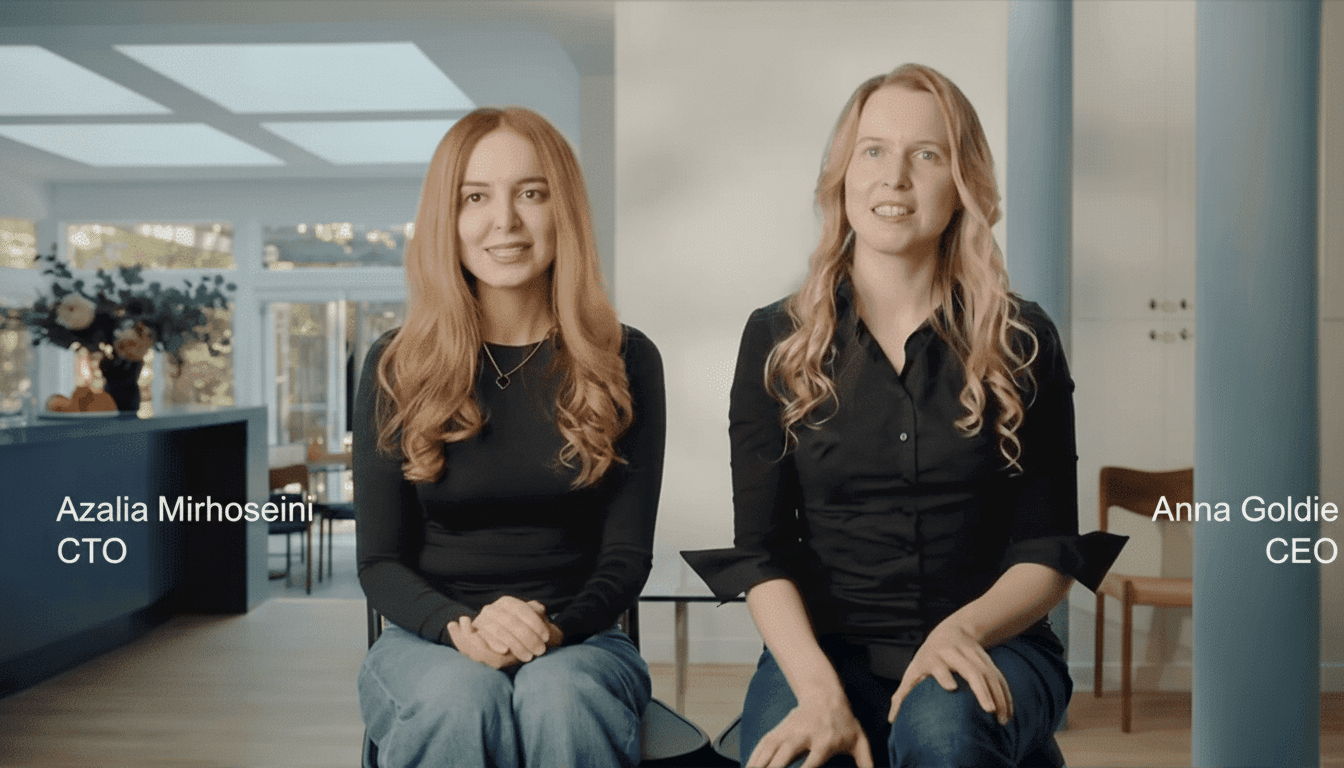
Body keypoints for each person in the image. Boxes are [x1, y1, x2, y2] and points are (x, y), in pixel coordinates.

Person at [684, 64, 1126, 768]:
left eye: (927, 155)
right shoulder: (775, 340)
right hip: (825, 648)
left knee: (943, 732)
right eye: (874, 151)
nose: (895, 178)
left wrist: (962, 629)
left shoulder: (1023, 339)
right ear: (842, 175)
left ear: (963, 186)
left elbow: (1047, 552)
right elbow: (762, 554)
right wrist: (818, 692)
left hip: (994, 642)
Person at [354, 106, 666, 768]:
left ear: (565, 211)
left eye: (531, 193)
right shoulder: (395, 365)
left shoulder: (626, 359)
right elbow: (380, 562)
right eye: (476, 197)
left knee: (560, 696)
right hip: (425, 643)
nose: (505, 221)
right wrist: (456, 629)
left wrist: (553, 629)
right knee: (461, 697)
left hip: (581, 641)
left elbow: (627, 556)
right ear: (448, 218)